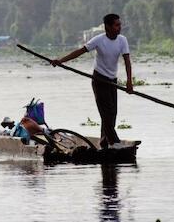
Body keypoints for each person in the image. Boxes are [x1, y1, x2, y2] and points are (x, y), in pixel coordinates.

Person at [51, 13, 133, 149]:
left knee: (112, 113)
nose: (120, 28)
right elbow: (80, 51)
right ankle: (114, 142)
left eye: (120, 25)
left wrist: (129, 82)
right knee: (106, 112)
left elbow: (127, 61)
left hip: (112, 80)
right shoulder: (98, 40)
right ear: (108, 27)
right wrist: (61, 61)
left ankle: (104, 141)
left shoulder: (122, 40)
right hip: (99, 79)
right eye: (116, 25)